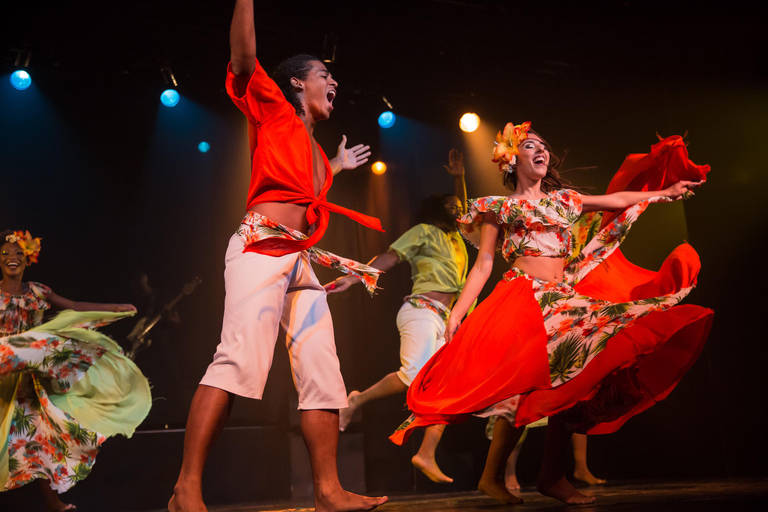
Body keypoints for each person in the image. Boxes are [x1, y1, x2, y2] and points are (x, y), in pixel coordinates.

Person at [390, 122, 713, 505]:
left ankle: (549, 475)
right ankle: (498, 476)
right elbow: (483, 264)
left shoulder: (565, 200)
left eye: (544, 145)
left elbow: (618, 200)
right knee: (523, 389)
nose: (541, 150)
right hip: (522, 298)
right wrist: (459, 311)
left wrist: (665, 192)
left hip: (561, 298)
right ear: (512, 160)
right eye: (530, 145)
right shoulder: (499, 207)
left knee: (576, 375)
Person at [168, 2, 388, 511]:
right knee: (237, 362)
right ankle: (186, 488)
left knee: (322, 371)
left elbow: (306, 183)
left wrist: (335, 163)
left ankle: (329, 492)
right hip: (261, 247)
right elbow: (244, 59)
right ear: (296, 84)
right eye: (323, 75)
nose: (333, 83)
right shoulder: (274, 108)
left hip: (297, 259)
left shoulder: (311, 147)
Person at [326, 149, 469, 484]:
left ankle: (426, 454)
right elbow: (390, 257)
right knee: (411, 377)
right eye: (452, 206)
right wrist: (356, 275)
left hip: (446, 319)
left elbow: (466, 211)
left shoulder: (460, 239)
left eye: (459, 207)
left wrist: (460, 179)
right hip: (419, 312)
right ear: (437, 210)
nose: (458, 210)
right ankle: (356, 399)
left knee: (444, 391)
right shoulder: (424, 231)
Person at [0, 230, 151, 512]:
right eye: (6, 253)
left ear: (28, 259)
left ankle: (53, 503)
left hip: (27, 379)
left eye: (19, 253)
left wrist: (113, 308)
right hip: (3, 369)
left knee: (41, 437)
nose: (12, 258)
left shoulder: (37, 292)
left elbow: (75, 307)